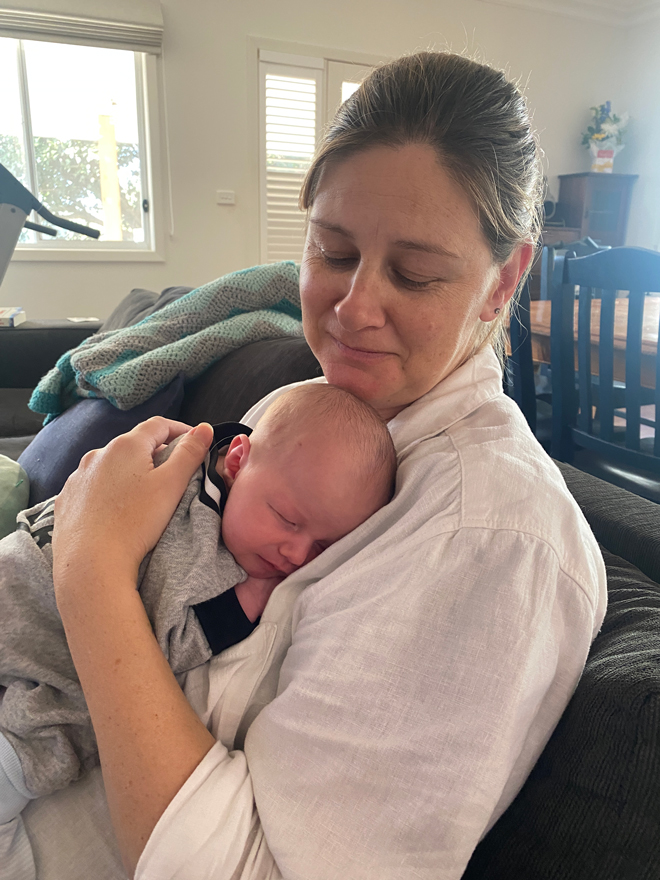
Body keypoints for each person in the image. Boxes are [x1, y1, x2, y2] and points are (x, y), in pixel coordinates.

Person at [18, 51, 606, 880]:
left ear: (506, 277)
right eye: (332, 252)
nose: (355, 308)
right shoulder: (311, 409)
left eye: (414, 273)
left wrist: (91, 572)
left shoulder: (490, 536)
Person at [0, 383, 395, 839]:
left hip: (45, 645)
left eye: (323, 546)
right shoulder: (192, 495)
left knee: (57, 734)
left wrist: (247, 602)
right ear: (236, 459)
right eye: (287, 519)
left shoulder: (232, 547)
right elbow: (160, 642)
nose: (296, 553)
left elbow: (150, 646)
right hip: (29, 581)